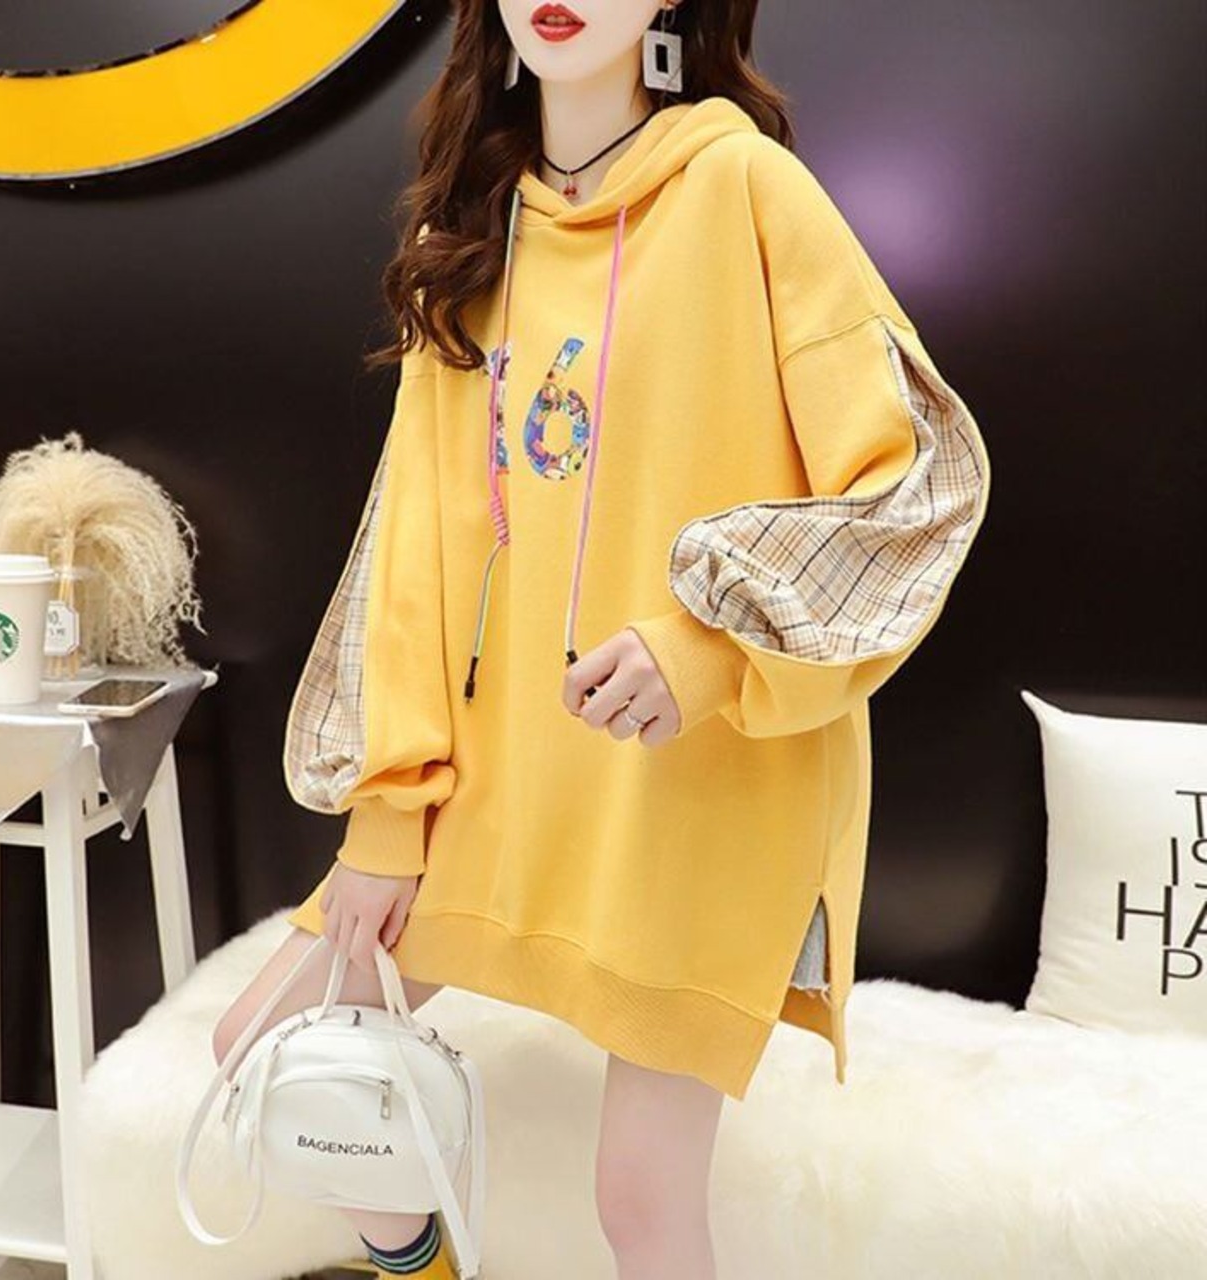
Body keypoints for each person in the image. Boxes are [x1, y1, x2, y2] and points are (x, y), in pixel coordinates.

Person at [212, 1, 993, 1276]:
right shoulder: (469, 230)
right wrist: (388, 815)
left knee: (638, 1198)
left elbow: (916, 486)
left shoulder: (744, 187)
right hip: (497, 779)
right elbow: (410, 546)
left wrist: (704, 644)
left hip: (695, 786)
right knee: (269, 1057)